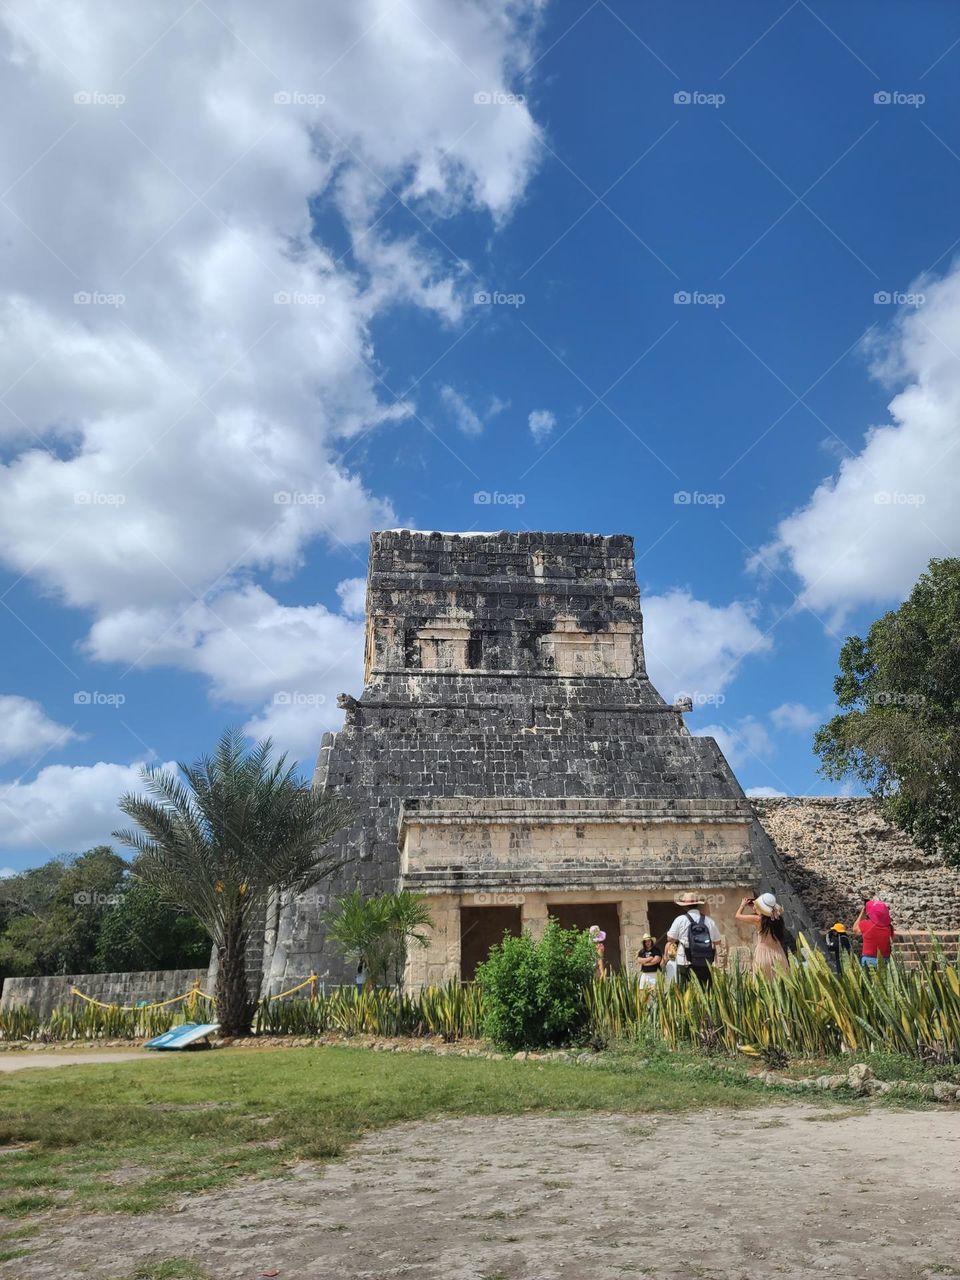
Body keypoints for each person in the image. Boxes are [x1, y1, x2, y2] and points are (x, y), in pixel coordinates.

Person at [666, 892, 721, 988]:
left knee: (685, 991)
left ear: (685, 906)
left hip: (685, 961)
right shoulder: (709, 921)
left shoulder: (680, 920)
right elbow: (717, 941)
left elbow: (670, 938)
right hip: (704, 962)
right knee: (705, 990)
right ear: (697, 905)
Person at [735, 892, 789, 978]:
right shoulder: (778, 919)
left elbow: (738, 916)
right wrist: (756, 907)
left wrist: (742, 905)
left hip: (763, 954)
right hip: (779, 954)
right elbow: (766, 914)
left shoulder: (758, 919)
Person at [854, 899, 895, 968]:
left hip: (869, 959)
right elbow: (891, 940)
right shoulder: (890, 928)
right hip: (885, 959)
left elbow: (855, 929)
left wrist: (863, 912)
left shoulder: (866, 925)